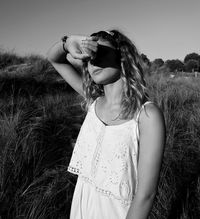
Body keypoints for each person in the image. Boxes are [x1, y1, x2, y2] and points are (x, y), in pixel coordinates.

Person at [47, 29, 166, 219]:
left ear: (123, 57)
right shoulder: (93, 102)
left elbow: (145, 196)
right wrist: (68, 42)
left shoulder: (147, 115)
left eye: (100, 53)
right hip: (81, 209)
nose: (93, 62)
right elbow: (55, 59)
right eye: (88, 58)